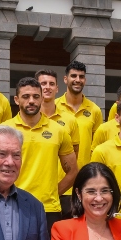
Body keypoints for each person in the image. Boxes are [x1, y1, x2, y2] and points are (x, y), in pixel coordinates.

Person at [3, 77, 77, 240]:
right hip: (10, 209)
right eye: (26, 96)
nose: (32, 101)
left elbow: (73, 169)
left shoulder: (58, 130)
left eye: (36, 96)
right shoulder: (6, 129)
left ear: (43, 98)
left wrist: (52, 192)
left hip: (48, 211)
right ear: (17, 99)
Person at [36, 69, 80, 219]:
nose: (47, 87)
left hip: (64, 191)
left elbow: (74, 157)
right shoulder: (29, 119)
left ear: (57, 88)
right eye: (43, 83)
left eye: (51, 84)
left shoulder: (70, 120)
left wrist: (56, 191)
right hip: (32, 192)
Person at [55, 60, 103, 166]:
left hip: (84, 174)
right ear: (65, 79)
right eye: (73, 76)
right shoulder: (54, 107)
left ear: (85, 80)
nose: (78, 80)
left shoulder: (95, 110)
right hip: (58, 174)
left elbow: (97, 146)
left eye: (81, 77)